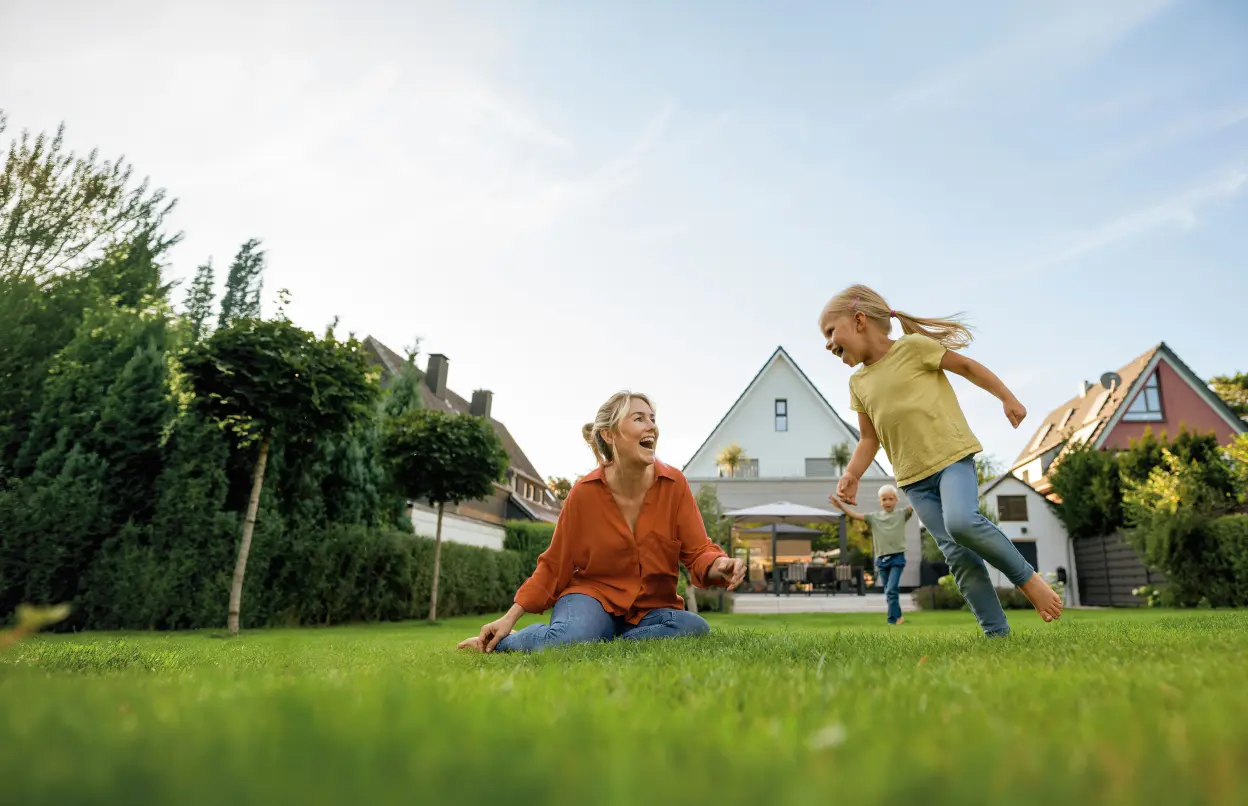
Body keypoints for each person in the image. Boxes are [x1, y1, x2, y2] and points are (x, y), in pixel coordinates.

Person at [817, 284, 1062, 637]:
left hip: (951, 458)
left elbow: (965, 366)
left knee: (962, 522)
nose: (826, 344)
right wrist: (853, 473)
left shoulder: (914, 348)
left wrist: (1006, 397)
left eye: (829, 331)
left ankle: (1027, 579)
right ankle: (998, 635)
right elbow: (869, 438)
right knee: (958, 554)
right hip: (913, 480)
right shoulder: (858, 383)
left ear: (858, 320)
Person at [457, 391, 747, 654]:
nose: (651, 426)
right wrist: (508, 619)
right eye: (638, 419)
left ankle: (598, 641)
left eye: (653, 419)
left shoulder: (674, 485)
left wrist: (718, 564)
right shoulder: (584, 494)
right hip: (591, 598)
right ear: (609, 435)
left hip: (651, 609)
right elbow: (554, 566)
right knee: (568, 640)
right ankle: (516, 642)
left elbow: (698, 551)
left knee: (695, 629)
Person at [829, 485, 913, 625]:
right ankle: (899, 617)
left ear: (896, 500)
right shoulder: (874, 517)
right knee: (889, 592)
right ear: (880, 501)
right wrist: (840, 506)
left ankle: (892, 620)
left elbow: (916, 504)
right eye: (884, 499)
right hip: (881, 560)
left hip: (897, 558)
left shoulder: (902, 514)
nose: (887, 502)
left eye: (890, 499)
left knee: (891, 589)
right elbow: (854, 515)